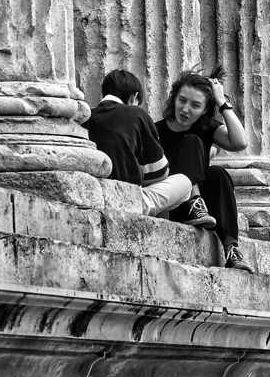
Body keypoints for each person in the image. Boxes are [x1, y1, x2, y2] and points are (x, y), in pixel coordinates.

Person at [155, 70, 254, 272]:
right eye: (182, 100)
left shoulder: (206, 127)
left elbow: (240, 142)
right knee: (191, 142)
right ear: (173, 98)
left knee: (218, 174)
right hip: (173, 202)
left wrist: (222, 102)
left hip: (205, 214)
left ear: (205, 109)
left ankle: (231, 248)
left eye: (195, 105)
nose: (185, 109)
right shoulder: (155, 131)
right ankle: (194, 202)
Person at [85, 68, 201, 222]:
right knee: (184, 183)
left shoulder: (85, 116)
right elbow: (159, 173)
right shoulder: (136, 114)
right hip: (126, 200)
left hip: (91, 195)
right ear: (134, 97)